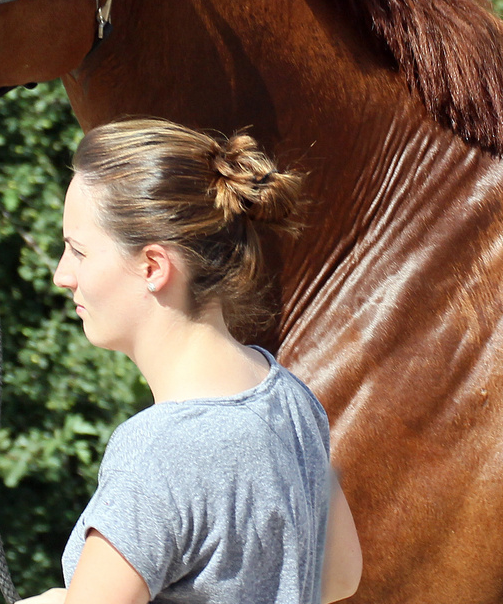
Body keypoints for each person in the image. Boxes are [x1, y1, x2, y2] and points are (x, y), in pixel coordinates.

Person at [21, 118, 362, 604]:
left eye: (77, 250)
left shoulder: (158, 453)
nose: (61, 274)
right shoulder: (289, 397)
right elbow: (340, 577)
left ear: (153, 267)